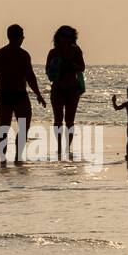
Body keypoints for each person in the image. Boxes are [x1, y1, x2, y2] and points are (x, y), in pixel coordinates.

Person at [0, 24, 46, 164]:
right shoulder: (22, 55)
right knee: (21, 127)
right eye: (22, 36)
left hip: (6, 95)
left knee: (4, 127)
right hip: (18, 95)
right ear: (18, 37)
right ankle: (17, 157)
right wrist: (38, 94)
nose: (23, 38)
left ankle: (4, 159)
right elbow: (30, 76)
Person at [45, 25, 86, 159]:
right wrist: (57, 67)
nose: (66, 39)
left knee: (70, 120)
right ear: (59, 37)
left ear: (72, 38)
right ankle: (58, 147)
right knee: (57, 120)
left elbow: (82, 67)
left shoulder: (76, 51)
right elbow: (47, 71)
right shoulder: (53, 53)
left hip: (73, 88)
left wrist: (72, 65)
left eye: (68, 36)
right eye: (63, 36)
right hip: (57, 88)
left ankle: (67, 147)